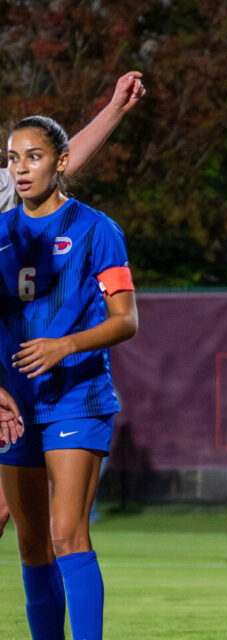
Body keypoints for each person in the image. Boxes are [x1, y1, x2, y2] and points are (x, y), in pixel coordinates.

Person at [0, 73, 145, 640]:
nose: (20, 166)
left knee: (67, 535)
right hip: (15, 404)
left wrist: (64, 345)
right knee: (31, 542)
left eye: (32, 157)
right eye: (13, 158)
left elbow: (126, 318)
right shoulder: (3, 231)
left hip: (77, 398)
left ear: (57, 162)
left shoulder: (96, 229)